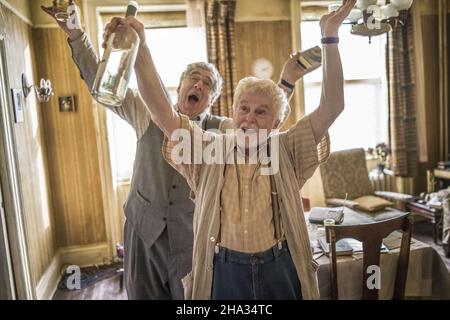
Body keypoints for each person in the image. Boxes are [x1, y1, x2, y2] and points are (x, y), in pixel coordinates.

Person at [41, 3, 311, 300]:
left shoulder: (221, 131)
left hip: (191, 237)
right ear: (180, 85)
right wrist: (77, 34)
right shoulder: (146, 112)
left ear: (212, 100)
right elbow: (101, 83)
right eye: (193, 77)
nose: (198, 84)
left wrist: (286, 82)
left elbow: (264, 125)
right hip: (143, 230)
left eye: (207, 84)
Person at [105, 0, 355, 300]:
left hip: (279, 265)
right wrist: (141, 48)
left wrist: (329, 35)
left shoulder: (286, 148)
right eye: (244, 108)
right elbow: (162, 112)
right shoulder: (209, 148)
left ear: (276, 123)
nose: (249, 117)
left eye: (261, 112)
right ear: (232, 112)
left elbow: (332, 106)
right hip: (224, 269)